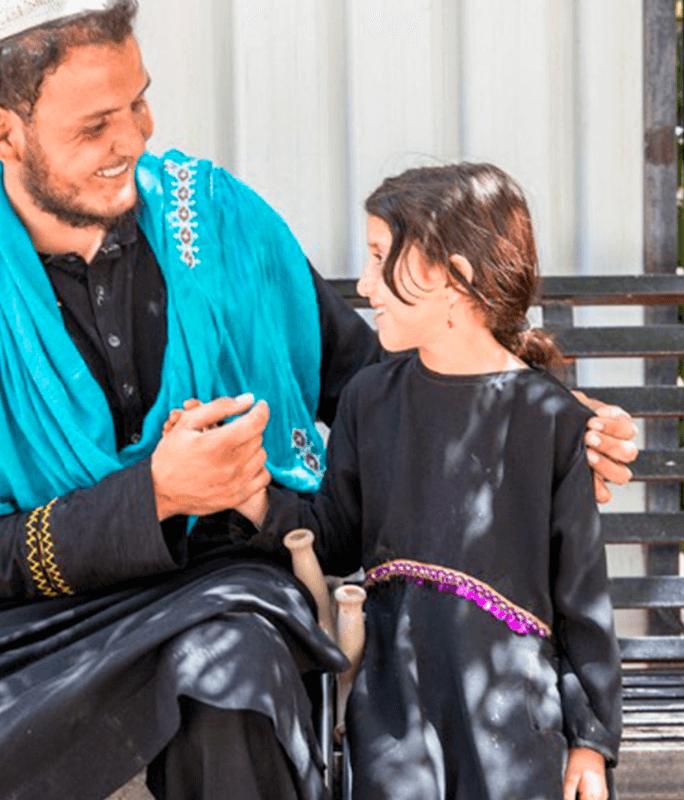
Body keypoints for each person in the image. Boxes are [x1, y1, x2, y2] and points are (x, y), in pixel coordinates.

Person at [0, 2, 636, 798]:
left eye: (139, 102)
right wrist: (154, 496)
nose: (134, 137)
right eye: (96, 124)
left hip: (228, 584)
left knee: (230, 680)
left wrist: (539, 441)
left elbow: (389, 387)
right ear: (2, 132)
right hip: (35, 628)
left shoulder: (222, 222)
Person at [235, 163, 620, 800]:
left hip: (512, 706)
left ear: (453, 275)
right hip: (394, 697)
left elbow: (582, 596)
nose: (363, 285)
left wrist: (590, 740)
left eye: (382, 257)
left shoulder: (550, 420)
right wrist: (255, 500)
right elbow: (335, 536)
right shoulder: (369, 399)